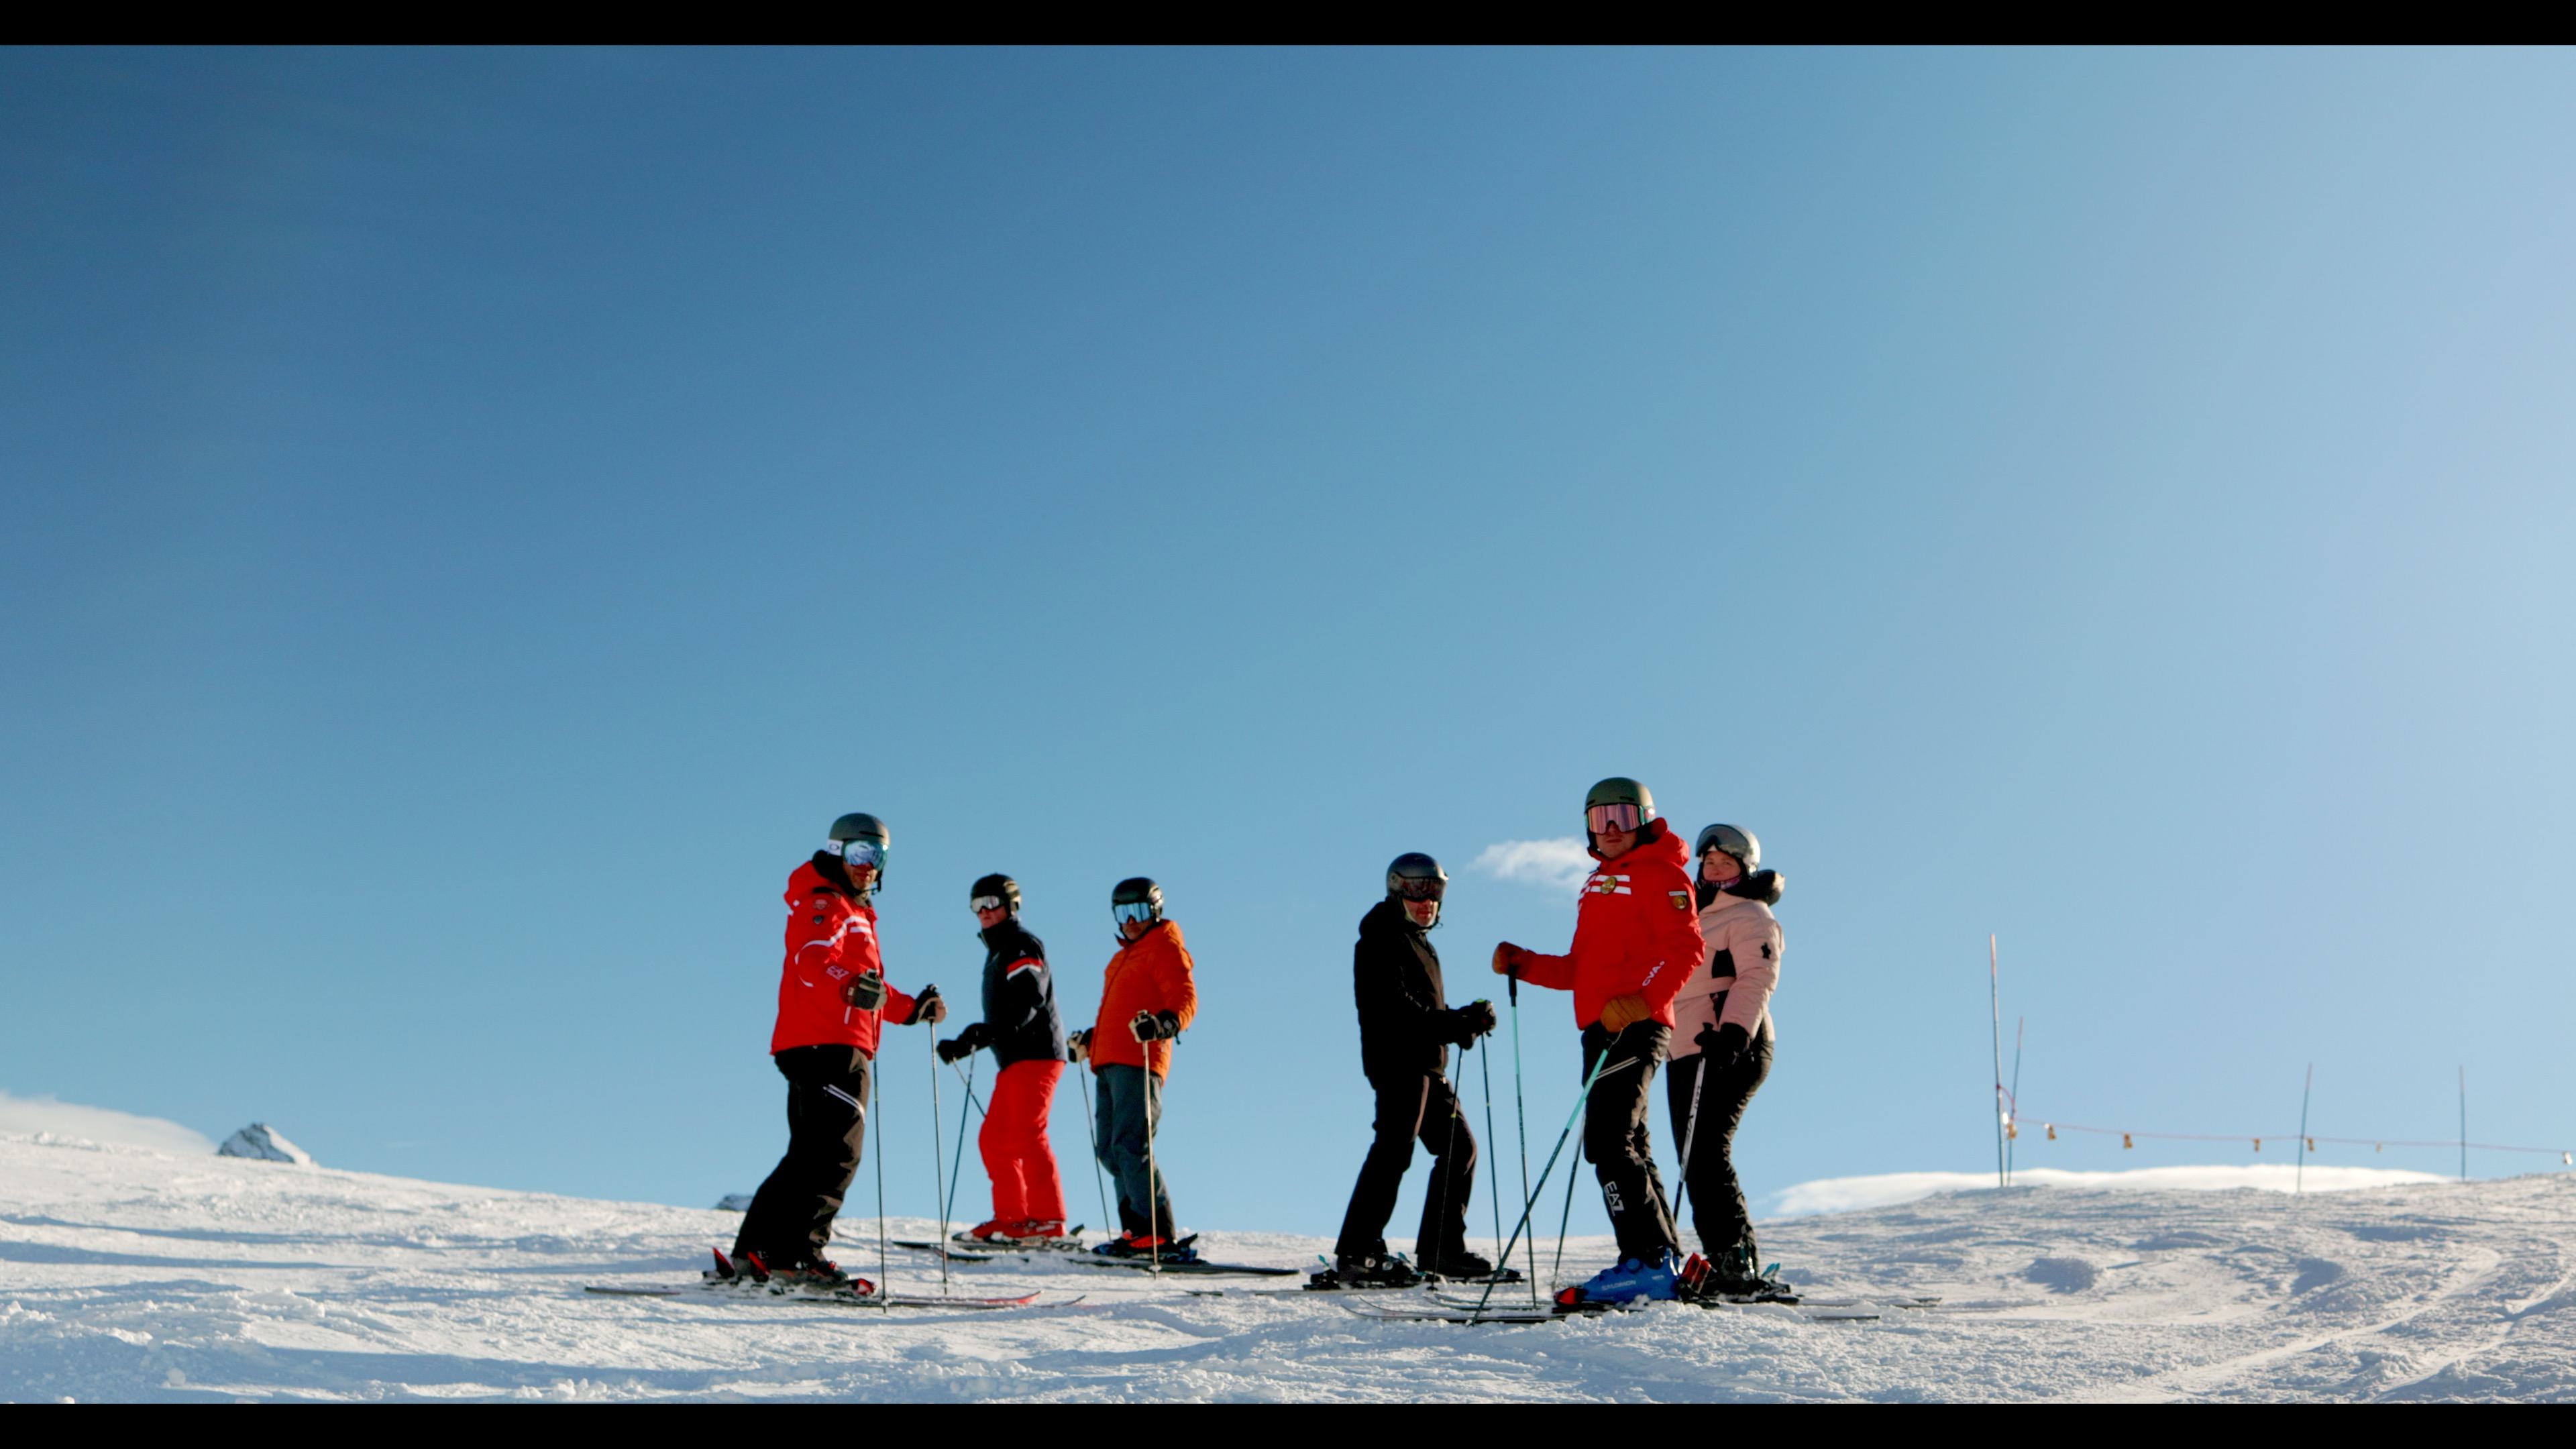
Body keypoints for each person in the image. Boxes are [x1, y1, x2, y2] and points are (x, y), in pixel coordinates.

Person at [1491, 777, 1704, 1307]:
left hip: (1634, 1023)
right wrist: (1526, 964)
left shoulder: (1662, 874)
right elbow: (1582, 970)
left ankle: (1646, 1262)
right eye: (1598, 817)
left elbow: (1686, 948)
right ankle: (1663, 1260)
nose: (1609, 828)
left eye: (1623, 817)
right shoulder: (1600, 882)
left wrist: (1641, 1000)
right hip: (1602, 1026)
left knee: (1607, 1141)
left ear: (1646, 821)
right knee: (1628, 1141)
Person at [729, 812, 947, 1289]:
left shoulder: (852, 910)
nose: (869, 865)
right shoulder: (827, 902)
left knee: (807, 1155)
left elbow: (867, 987)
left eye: (879, 856)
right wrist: (848, 986)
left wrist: (912, 1009)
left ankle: (756, 1252)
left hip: (818, 1041)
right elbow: (812, 959)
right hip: (830, 1044)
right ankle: (799, 1257)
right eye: (860, 853)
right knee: (836, 1154)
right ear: (836, 851)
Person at [1318, 852, 1501, 1289]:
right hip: (1399, 1061)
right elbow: (1397, 1012)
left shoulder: (1418, 941)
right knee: (1394, 1148)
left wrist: (1463, 1024)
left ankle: (1442, 1249)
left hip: (1426, 1063)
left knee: (1459, 1148)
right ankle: (1358, 1252)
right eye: (1416, 890)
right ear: (1397, 890)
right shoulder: (1381, 939)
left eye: (1435, 890)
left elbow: (1427, 1013)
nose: (1427, 900)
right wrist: (1456, 1023)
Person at [1668, 824, 1785, 1296]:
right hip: (1686, 1047)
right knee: (1694, 1155)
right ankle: (1727, 1256)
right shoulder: (1692, 916)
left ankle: (1734, 1257)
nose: (1715, 870)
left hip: (1728, 1043)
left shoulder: (1752, 916)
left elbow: (1756, 977)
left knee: (1705, 1152)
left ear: (1744, 870)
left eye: (1727, 864)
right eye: (1709, 862)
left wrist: (1733, 1034)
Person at [936, 873, 1072, 1246]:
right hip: (1015, 1059)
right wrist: (967, 1043)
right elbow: (1001, 1021)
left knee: (1028, 1135)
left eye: (991, 903)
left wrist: (990, 1033)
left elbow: (1030, 998)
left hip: (1037, 1053)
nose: (983, 912)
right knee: (995, 1139)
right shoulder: (999, 949)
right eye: (976, 905)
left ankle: (1047, 1220)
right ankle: (1013, 1218)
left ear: (1011, 905)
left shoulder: (1020, 943)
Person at [1074, 877, 1199, 1260]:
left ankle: (1157, 1233)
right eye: (1123, 913)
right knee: (1110, 1151)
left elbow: (1184, 996)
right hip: (1108, 1060)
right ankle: (1135, 1232)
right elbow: (1120, 1010)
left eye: (1139, 912)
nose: (1130, 921)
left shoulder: (1164, 946)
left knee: (1132, 1145)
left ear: (1155, 910)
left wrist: (1165, 1023)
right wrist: (1091, 1040)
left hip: (1140, 1059)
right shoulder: (1122, 957)